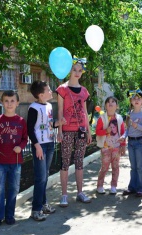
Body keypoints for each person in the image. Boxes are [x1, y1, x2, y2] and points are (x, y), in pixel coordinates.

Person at [0, 90, 28, 231]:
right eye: (6, 101)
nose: (9, 104)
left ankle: (9, 215)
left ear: (17, 103)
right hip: (0, 161)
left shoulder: (21, 121)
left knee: (13, 189)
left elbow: (24, 138)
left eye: (12, 101)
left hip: (16, 162)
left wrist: (21, 147)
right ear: (2, 102)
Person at [27, 81, 66, 221]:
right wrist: (36, 145)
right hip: (40, 146)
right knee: (40, 178)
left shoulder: (49, 106)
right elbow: (30, 129)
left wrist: (59, 123)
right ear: (41, 94)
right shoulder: (33, 108)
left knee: (45, 176)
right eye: (48, 89)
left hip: (49, 144)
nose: (51, 91)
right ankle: (35, 209)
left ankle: (43, 204)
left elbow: (49, 124)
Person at [56, 59, 92, 206]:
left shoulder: (83, 91)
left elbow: (84, 111)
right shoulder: (62, 89)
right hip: (67, 130)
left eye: (79, 70)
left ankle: (80, 192)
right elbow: (59, 111)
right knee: (65, 162)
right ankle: (64, 195)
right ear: (69, 71)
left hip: (81, 130)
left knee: (79, 161)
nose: (77, 73)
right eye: (74, 70)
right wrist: (59, 131)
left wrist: (89, 131)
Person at [121, 89, 142, 197]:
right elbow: (127, 129)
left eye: (139, 98)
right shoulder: (129, 114)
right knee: (133, 167)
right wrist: (123, 136)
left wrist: (137, 126)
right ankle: (132, 187)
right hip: (131, 143)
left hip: (140, 142)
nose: (136, 100)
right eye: (134, 98)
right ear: (131, 101)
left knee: (140, 167)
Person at [95, 96, 126, 195]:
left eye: (113, 102)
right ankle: (100, 186)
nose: (111, 103)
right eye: (108, 102)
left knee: (116, 166)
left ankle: (113, 186)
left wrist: (123, 145)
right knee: (104, 167)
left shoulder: (119, 118)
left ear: (117, 106)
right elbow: (97, 132)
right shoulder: (102, 118)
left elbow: (123, 132)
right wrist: (105, 131)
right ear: (105, 106)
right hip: (105, 147)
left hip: (116, 147)